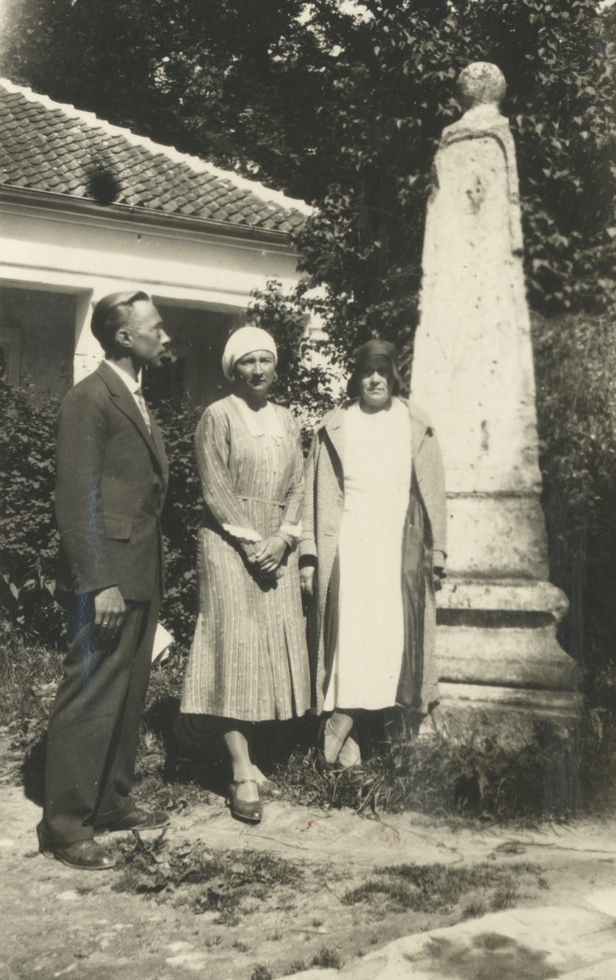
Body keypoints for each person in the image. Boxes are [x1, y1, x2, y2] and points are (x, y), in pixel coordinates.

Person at [37, 291, 172, 870]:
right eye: (155, 328)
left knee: (129, 691)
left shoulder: (136, 397)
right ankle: (66, 826)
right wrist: (99, 582)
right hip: (112, 576)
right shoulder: (89, 399)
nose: (165, 337)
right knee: (91, 692)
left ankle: (112, 801)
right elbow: (76, 499)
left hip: (142, 568)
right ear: (124, 336)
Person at [180, 326, 310, 823]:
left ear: (276, 367)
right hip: (229, 546)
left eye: (265, 361)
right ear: (233, 370)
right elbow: (214, 486)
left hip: (277, 547)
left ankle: (253, 759)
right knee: (233, 651)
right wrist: (254, 543)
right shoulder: (217, 416)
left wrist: (282, 539)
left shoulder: (288, 419)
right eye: (247, 363)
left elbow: (299, 483)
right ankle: (239, 772)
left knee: (264, 652)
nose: (257, 371)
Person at [300, 339, 446, 767]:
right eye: (367, 371)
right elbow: (313, 492)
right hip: (348, 540)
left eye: (382, 370)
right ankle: (342, 728)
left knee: (391, 637)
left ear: (394, 374)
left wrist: (437, 552)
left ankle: (350, 726)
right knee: (350, 637)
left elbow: (433, 492)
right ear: (356, 377)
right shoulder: (337, 424)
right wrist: (310, 553)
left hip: (398, 544)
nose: (375, 378)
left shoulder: (415, 423)